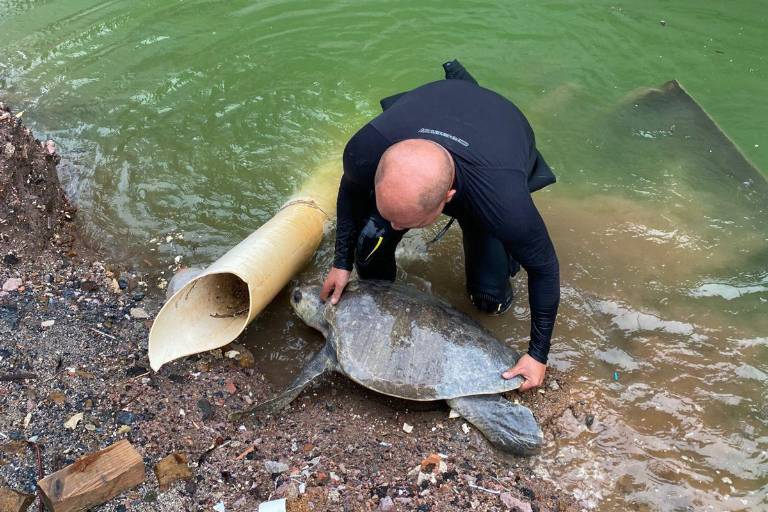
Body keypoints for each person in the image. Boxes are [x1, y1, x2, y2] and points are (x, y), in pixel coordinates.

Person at [320, 60, 560, 391]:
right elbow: (352, 188)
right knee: (371, 243)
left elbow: (545, 267)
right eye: (388, 211)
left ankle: (498, 255)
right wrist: (341, 262)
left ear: (447, 198)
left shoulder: (503, 201)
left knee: (489, 301)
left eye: (404, 222)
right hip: (434, 108)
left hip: (494, 140)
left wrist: (537, 355)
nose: (394, 225)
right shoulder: (365, 150)